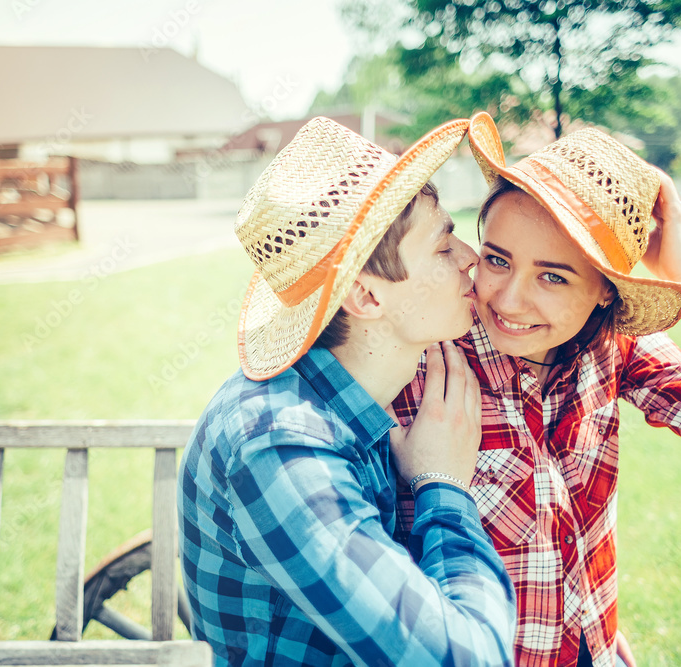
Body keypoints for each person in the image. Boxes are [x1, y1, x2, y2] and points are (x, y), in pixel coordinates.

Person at [391, 111, 681, 667]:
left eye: (553, 276)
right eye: (497, 259)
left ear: (607, 291)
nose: (508, 301)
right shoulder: (425, 363)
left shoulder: (614, 349)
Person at [177, 116, 517, 666]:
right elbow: (468, 659)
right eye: (441, 246)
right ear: (366, 295)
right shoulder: (277, 443)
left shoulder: (352, 398)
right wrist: (444, 484)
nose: (470, 259)